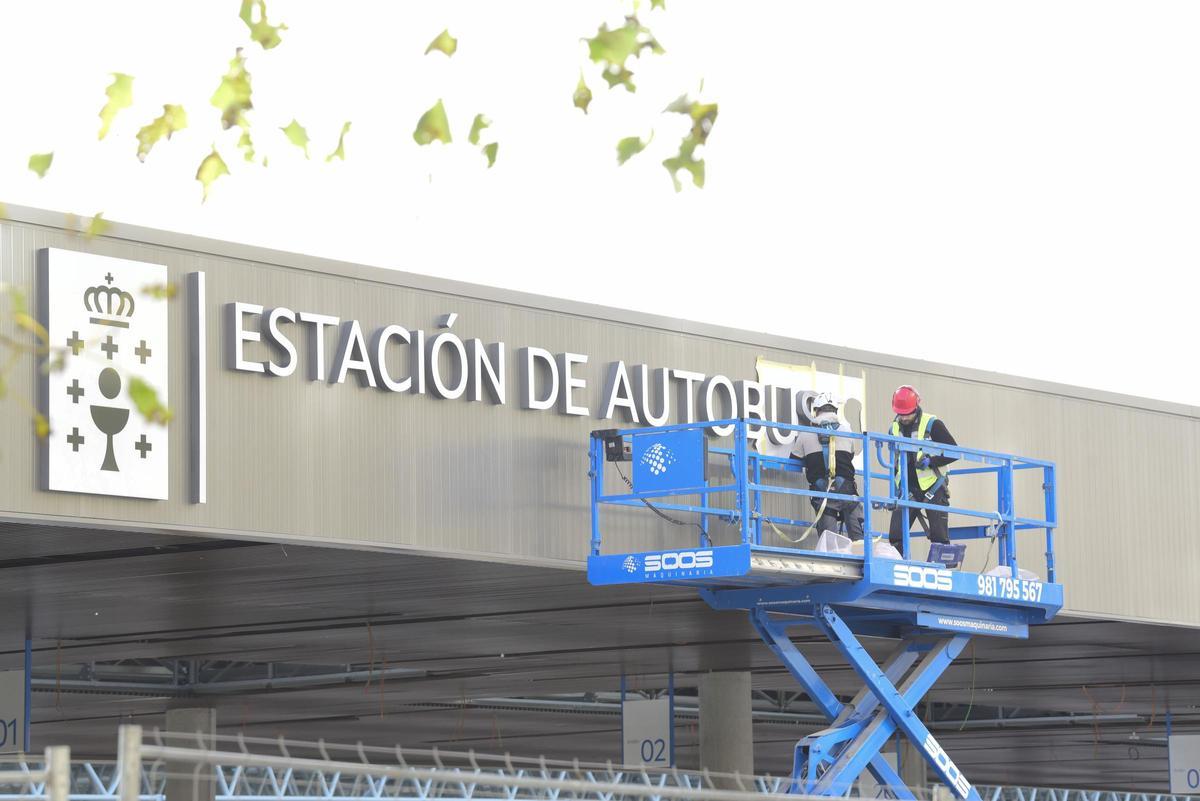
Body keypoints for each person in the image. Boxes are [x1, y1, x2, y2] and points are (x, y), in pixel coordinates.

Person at [888, 384, 958, 554]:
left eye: (907, 414)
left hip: (932, 486)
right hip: (907, 488)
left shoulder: (932, 424)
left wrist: (932, 461)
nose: (904, 418)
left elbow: (954, 452)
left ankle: (940, 569)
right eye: (901, 414)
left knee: (939, 535)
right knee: (896, 535)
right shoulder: (894, 428)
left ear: (916, 407)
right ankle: (897, 566)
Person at [792, 392, 863, 540]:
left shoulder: (805, 434)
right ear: (835, 411)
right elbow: (850, 455)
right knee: (860, 542)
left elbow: (794, 459)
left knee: (829, 544)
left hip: (822, 495)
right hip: (847, 492)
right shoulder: (846, 431)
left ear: (816, 411)